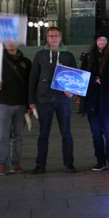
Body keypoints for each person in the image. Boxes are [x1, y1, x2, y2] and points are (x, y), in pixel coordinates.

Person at [29, 26, 78, 174]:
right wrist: (31, 100)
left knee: (66, 133)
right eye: (51, 36)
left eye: (56, 36)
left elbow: (75, 78)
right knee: (43, 134)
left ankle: (69, 163)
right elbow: (33, 78)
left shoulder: (68, 56)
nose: (53, 39)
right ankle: (40, 164)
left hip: (63, 100)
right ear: (47, 38)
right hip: (44, 100)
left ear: (61, 38)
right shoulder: (40, 55)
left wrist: (72, 92)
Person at [81, 30, 109, 172]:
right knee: (96, 133)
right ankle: (100, 160)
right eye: (100, 40)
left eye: (104, 40)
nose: (102, 42)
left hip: (107, 100)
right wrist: (93, 79)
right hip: (92, 101)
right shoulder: (88, 57)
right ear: (95, 41)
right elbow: (83, 75)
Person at [0, 43, 31, 176]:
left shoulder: (26, 62)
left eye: (13, 43)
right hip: (4, 103)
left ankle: (15, 163)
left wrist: (30, 104)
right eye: (8, 43)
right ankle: (1, 164)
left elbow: (30, 83)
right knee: (3, 136)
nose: (11, 45)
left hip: (21, 104)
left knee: (18, 136)